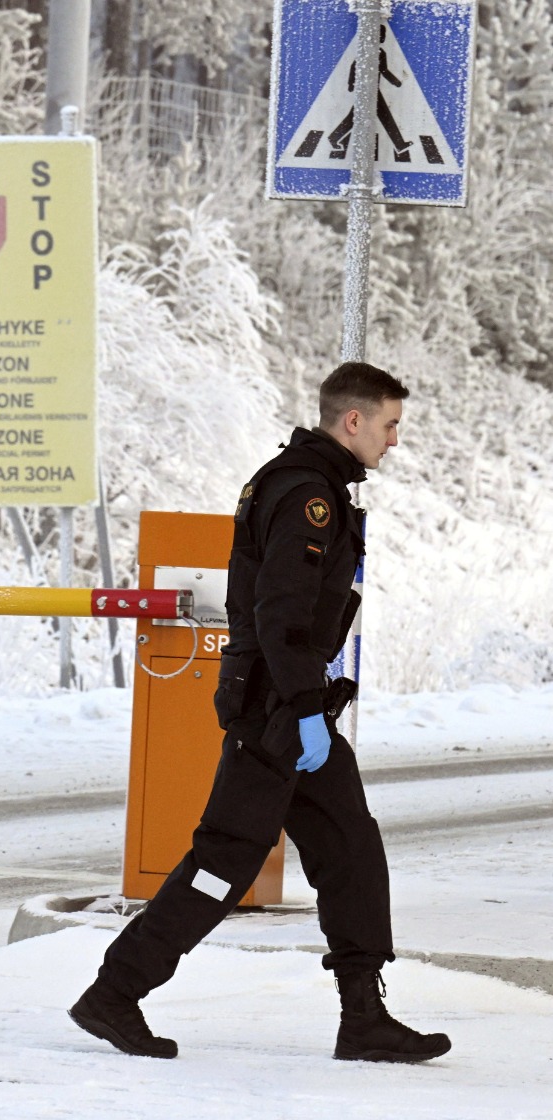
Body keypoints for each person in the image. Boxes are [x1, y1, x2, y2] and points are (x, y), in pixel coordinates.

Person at [70, 362, 451, 1064]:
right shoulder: (306, 492)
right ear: (352, 420)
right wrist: (305, 711)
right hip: (277, 712)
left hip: (292, 707)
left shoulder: (307, 482)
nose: (394, 441)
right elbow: (280, 613)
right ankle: (114, 993)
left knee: (349, 852)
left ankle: (363, 1017)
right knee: (223, 862)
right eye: (389, 425)